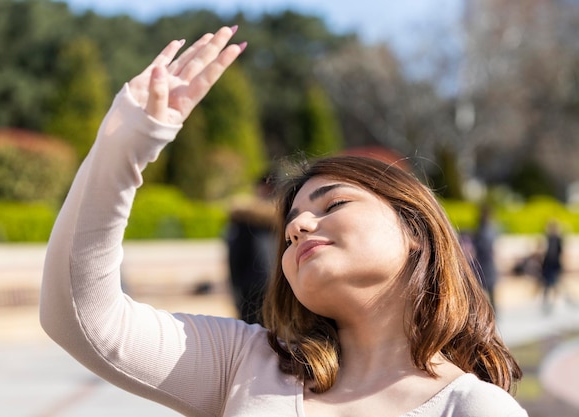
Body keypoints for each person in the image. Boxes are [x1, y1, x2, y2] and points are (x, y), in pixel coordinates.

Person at [40, 27, 528, 416]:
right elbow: (81, 317)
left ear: (416, 232)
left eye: (333, 204)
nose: (297, 228)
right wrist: (128, 144)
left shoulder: (474, 407)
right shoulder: (247, 363)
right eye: (292, 223)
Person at [226, 173, 277, 324]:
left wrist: (235, 289)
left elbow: (234, 259)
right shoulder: (288, 220)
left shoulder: (243, 219)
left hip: (252, 286)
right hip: (269, 286)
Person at [472, 204, 499, 313]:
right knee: (482, 292)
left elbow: (485, 246)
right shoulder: (483, 230)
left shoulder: (487, 230)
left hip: (486, 265)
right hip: (482, 265)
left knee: (489, 292)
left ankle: (492, 313)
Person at [540, 220, 563, 313]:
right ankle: (546, 302)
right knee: (547, 284)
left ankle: (555, 301)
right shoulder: (549, 239)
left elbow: (558, 253)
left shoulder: (557, 239)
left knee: (554, 284)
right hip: (548, 265)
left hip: (553, 265)